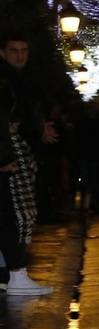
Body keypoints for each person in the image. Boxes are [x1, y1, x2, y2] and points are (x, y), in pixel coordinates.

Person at [0, 36, 53, 294]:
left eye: (24, 50)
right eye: (14, 50)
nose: (20, 56)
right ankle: (15, 274)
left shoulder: (16, 79)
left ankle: (8, 275)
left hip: (11, 151)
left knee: (11, 213)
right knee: (13, 213)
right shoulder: (7, 80)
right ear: (2, 53)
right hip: (8, 154)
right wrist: (4, 157)